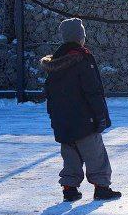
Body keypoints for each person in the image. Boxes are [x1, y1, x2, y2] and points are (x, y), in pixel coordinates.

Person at [39, 18, 121, 202]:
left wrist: (55, 119)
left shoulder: (55, 63)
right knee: (96, 153)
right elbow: (93, 91)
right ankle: (101, 187)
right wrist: (101, 116)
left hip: (62, 120)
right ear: (80, 38)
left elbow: (50, 95)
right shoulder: (83, 59)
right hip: (85, 119)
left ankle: (69, 188)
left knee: (70, 155)